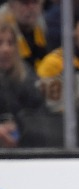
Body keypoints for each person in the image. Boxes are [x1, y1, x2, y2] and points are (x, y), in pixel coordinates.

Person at [0, 19, 42, 148]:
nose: (6, 49)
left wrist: (21, 127)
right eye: (0, 43)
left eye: (10, 43)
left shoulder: (28, 79)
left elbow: (40, 117)